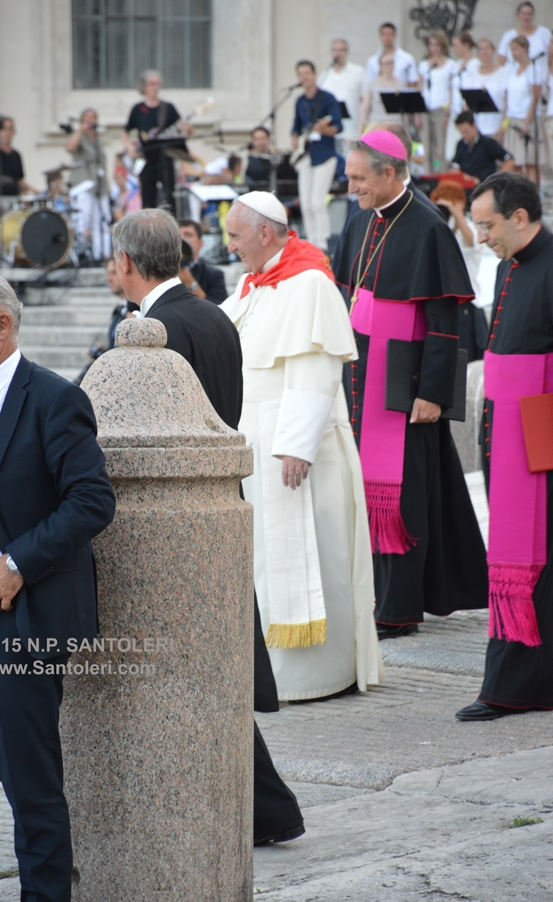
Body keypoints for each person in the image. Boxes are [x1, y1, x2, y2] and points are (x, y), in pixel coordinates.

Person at [111, 207, 304, 845]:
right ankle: (265, 811)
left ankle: (259, 811)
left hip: (176, 517)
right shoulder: (211, 311)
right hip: (220, 499)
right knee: (211, 670)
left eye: (115, 259)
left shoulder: (159, 328)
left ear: (129, 264)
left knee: (193, 672)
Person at [0, 271, 115, 902]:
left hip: (17, 624)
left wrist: (17, 563)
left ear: (3, 325)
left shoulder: (52, 398)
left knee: (31, 792)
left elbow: (91, 500)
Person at [222, 190, 383, 700]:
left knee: (314, 554)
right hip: (256, 442)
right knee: (265, 564)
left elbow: (317, 367)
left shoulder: (310, 281)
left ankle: (316, 675)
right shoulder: (251, 284)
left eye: (235, 235)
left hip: (296, 448)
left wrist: (297, 444)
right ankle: (270, 671)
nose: (229, 246)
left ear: (264, 233)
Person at [337, 130, 488, 638]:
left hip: (407, 383)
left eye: (359, 177)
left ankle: (398, 610)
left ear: (389, 172)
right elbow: (347, 296)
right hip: (360, 377)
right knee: (371, 493)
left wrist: (433, 393)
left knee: (402, 496)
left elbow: (447, 321)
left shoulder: (427, 226)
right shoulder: (359, 221)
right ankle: (378, 594)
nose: (350, 185)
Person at [457, 173, 553, 720]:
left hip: (538, 429)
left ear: (520, 217)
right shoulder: (504, 266)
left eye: (488, 226)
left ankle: (513, 686)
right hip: (505, 428)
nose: (482, 238)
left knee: (534, 558)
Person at [429, 180, 487, 362]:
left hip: (466, 305)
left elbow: (470, 241)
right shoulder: (438, 226)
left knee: (465, 360)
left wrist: (457, 213)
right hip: (442, 301)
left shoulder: (468, 226)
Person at [122, 70, 192, 214]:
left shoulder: (168, 108)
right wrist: (129, 146)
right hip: (146, 159)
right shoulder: (138, 109)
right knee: (148, 199)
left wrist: (189, 130)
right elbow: (125, 131)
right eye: (152, 84)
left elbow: (182, 131)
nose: (155, 88)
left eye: (158, 84)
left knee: (170, 197)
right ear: (144, 87)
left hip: (166, 159)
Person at [291, 60, 342, 251]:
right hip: (306, 154)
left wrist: (323, 129)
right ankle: (311, 240)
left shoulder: (327, 98)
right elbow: (295, 127)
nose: (304, 77)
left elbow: (338, 126)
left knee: (317, 201)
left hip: (324, 154)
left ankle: (322, 242)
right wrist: (294, 138)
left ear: (314, 74)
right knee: (305, 202)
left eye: (307, 73)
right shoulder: (299, 101)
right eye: (301, 74)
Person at [66, 108, 112, 261]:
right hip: (84, 184)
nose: (91, 120)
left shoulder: (98, 138)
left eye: (93, 117)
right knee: (84, 220)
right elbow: (70, 148)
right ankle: (83, 254)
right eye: (87, 117)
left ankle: (102, 254)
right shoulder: (80, 136)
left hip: (99, 185)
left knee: (103, 220)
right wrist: (80, 130)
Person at [501, 35, 543, 183]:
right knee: (516, 162)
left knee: (530, 161)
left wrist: (527, 121)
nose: (514, 53)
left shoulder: (533, 69)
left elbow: (535, 97)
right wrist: (504, 120)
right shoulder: (512, 70)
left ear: (525, 49)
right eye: (511, 50)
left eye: (516, 49)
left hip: (526, 118)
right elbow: (507, 98)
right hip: (513, 118)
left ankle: (535, 191)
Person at [418, 31, 458, 172]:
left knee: (441, 148)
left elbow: (453, 89)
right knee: (427, 148)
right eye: (431, 45)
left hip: (441, 108)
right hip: (425, 108)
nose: (434, 48)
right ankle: (428, 177)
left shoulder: (451, 65)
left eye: (437, 45)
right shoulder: (424, 65)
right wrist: (418, 113)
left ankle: (442, 176)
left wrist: (448, 111)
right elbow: (420, 88)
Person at [318, 38, 366, 152]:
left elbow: (365, 100)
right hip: (331, 133)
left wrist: (362, 127)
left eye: (341, 50)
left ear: (346, 52)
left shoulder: (358, 72)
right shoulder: (325, 75)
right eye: (335, 50)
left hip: (351, 131)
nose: (338, 53)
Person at [451, 111, 514, 183]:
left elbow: (509, 160)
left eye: (466, 131)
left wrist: (497, 179)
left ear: (474, 125)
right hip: (468, 186)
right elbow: (454, 167)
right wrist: (467, 178)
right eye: (461, 132)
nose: (464, 135)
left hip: (486, 185)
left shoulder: (487, 143)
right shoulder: (460, 144)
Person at [446, 32, 480, 161]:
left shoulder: (475, 64)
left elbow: (473, 87)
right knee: (452, 147)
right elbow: (452, 88)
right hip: (455, 110)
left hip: (466, 111)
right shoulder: (456, 65)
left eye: (456, 45)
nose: (454, 49)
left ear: (466, 45)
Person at [498, 1, 551, 83]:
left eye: (529, 14)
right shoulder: (508, 35)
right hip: (514, 81)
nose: (526, 17)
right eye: (524, 14)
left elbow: (551, 57)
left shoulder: (544, 33)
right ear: (518, 15)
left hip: (539, 81)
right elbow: (501, 61)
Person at [466, 38, 509, 139]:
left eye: (487, 48)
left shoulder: (504, 72)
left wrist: (503, 125)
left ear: (493, 51)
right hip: (478, 125)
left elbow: (507, 100)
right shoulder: (472, 75)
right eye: (481, 49)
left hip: (496, 124)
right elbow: (468, 102)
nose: (484, 52)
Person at [178, 219, 227, 303]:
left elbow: (219, 310)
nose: (182, 239)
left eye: (188, 235)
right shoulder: (161, 272)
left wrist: (191, 283)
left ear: (200, 243)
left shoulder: (213, 275)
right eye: (177, 235)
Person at [358, 52, 403, 133]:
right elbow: (365, 107)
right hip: (378, 124)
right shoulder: (372, 84)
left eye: (391, 62)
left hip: (396, 125)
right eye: (386, 63)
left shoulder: (400, 83)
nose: (390, 66)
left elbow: (404, 110)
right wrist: (361, 127)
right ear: (380, 66)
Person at [366, 22, 419, 87]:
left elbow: (412, 83)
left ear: (395, 36)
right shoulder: (372, 61)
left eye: (390, 34)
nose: (387, 38)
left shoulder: (407, 59)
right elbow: (369, 84)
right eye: (384, 35)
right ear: (380, 37)